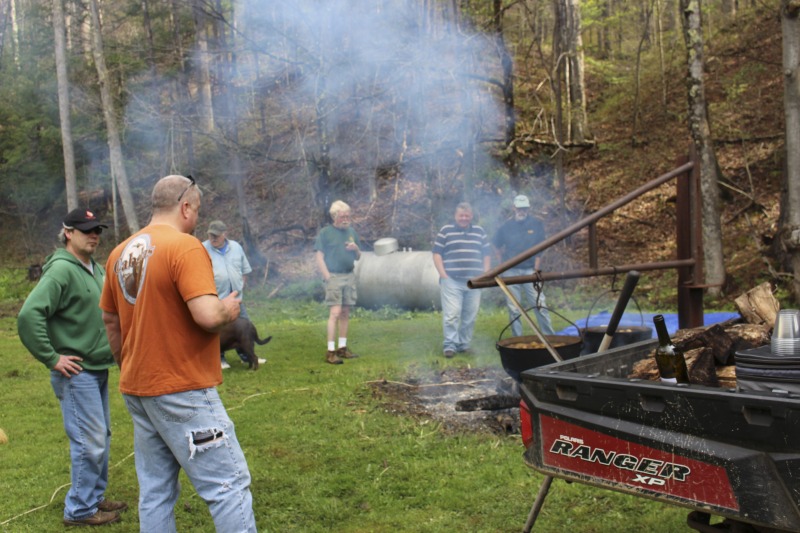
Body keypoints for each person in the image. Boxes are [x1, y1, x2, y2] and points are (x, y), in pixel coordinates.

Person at [99, 175, 256, 532]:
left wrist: (130, 365)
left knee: (155, 491)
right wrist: (228, 311)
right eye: (197, 210)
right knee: (228, 484)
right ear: (185, 206)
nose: (197, 219)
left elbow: (110, 319)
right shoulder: (185, 247)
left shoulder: (119, 252)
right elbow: (207, 315)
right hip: (183, 390)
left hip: (140, 390)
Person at [17, 208, 127, 527]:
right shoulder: (61, 271)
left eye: (97, 230)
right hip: (76, 372)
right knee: (88, 440)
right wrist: (52, 357)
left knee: (100, 436)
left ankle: (93, 496)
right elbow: (29, 316)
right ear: (69, 233)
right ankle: (79, 509)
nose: (94, 235)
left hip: (97, 367)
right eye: (86, 230)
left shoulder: (94, 268)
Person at [202, 219, 264, 369]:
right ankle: (220, 359)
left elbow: (244, 269)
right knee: (217, 331)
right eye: (211, 235)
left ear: (225, 234)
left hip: (237, 299)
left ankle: (246, 356)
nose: (213, 238)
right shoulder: (202, 249)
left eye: (216, 235)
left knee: (244, 328)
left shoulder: (236, 247)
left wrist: (240, 286)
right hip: (216, 299)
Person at [432, 202, 492, 358]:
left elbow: (486, 252)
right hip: (451, 280)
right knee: (452, 315)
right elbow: (437, 253)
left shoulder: (479, 231)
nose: (464, 218)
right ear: (455, 216)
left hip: (474, 281)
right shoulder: (446, 231)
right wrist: (443, 274)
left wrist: (486, 272)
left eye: (467, 215)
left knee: (469, 316)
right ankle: (449, 346)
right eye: (461, 215)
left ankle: (464, 345)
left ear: (471, 216)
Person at [492, 194, 555, 338]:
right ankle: (517, 339)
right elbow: (495, 244)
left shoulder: (536, 224)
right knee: (514, 308)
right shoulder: (506, 227)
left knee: (540, 304)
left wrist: (537, 267)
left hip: (530, 270)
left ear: (529, 208)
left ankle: (550, 337)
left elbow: (541, 246)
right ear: (514, 208)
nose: (522, 211)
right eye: (519, 208)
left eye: (525, 208)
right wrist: (501, 264)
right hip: (511, 271)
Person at [314, 200, 361, 365]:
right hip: (333, 276)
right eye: (343, 216)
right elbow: (319, 257)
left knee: (345, 312)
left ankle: (342, 348)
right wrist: (327, 276)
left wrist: (355, 248)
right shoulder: (325, 233)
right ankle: (330, 351)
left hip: (349, 276)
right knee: (335, 313)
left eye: (348, 216)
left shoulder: (351, 232)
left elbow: (358, 256)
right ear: (335, 216)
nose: (346, 219)